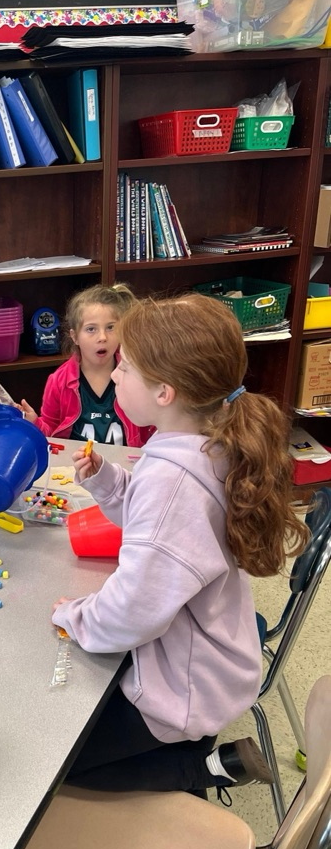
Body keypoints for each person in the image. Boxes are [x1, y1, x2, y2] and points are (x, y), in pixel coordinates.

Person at [52, 293, 309, 797]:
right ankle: (191, 754)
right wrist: (109, 482)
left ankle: (199, 769)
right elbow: (161, 525)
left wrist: (74, 616)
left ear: (165, 392)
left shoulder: (173, 480)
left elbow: (132, 611)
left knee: (57, 762)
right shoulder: (202, 442)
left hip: (185, 688)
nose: (115, 374)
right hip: (209, 654)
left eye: (126, 366)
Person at [21, 284, 154, 448]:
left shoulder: (137, 374)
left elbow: (153, 426)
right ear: (75, 337)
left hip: (127, 462)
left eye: (111, 327)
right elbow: (50, 433)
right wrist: (34, 423)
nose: (103, 337)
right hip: (74, 463)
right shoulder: (58, 381)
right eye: (91, 329)